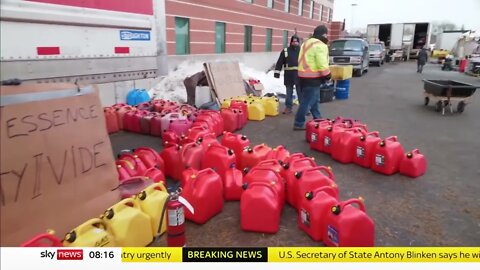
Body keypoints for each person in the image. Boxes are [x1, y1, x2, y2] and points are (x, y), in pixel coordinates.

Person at [293, 25, 331, 130]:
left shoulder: (307, 43)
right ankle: (298, 123)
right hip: (313, 77)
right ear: (324, 34)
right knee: (308, 101)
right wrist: (327, 74)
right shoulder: (320, 45)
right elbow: (321, 62)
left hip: (303, 76)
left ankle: (317, 119)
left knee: (315, 100)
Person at [274, 35, 301, 114]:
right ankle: (288, 108)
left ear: (298, 42)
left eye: (296, 42)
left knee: (300, 92)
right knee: (289, 92)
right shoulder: (285, 51)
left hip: (299, 75)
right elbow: (280, 62)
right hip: (288, 75)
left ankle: (304, 108)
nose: (295, 43)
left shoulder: (302, 50)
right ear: (291, 42)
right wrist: (277, 73)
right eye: (293, 41)